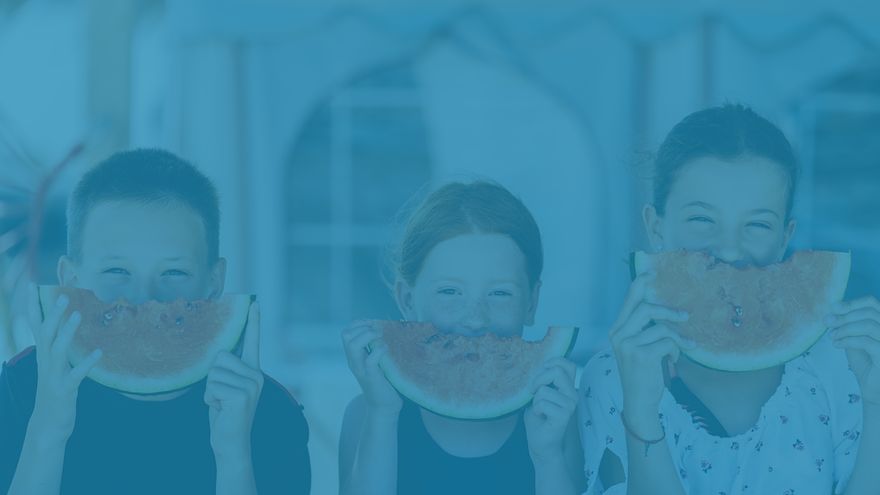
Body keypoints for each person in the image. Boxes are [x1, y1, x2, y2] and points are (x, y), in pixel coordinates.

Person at [579, 103, 880, 495]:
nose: (730, 249)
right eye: (702, 219)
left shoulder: (842, 369)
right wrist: (641, 413)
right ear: (656, 227)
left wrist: (876, 404)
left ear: (785, 237)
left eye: (758, 224)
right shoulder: (610, 379)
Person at [0, 149, 311, 495]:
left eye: (174, 272)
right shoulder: (17, 393)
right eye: (116, 270)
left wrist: (234, 456)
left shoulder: (271, 416)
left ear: (214, 282)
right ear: (70, 279)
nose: (144, 300)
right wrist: (46, 432)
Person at [339, 180, 584, 495]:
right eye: (449, 292)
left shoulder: (560, 417)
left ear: (531, 303)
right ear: (407, 299)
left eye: (500, 293)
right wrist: (382, 415)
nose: (475, 318)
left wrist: (548, 457)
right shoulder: (365, 414)